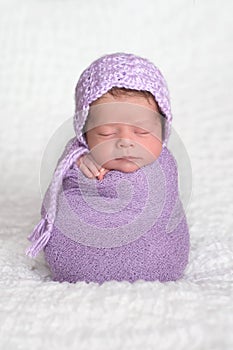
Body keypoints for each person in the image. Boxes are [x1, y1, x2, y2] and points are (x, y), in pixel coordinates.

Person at [25, 52, 190, 284]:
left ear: (163, 131)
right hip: (76, 261)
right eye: (106, 132)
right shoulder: (77, 155)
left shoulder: (165, 167)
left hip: (160, 258)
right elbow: (64, 188)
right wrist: (79, 161)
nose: (125, 141)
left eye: (142, 131)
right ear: (84, 133)